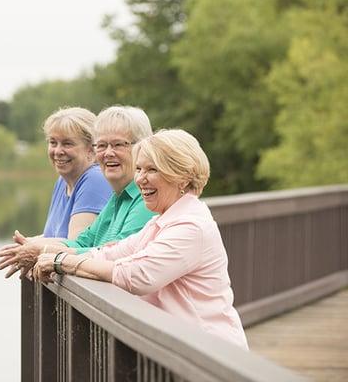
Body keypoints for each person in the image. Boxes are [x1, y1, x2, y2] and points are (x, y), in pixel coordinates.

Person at [32, 129, 249, 349]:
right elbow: (112, 253)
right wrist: (54, 254)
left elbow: (137, 276)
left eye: (151, 170)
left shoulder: (190, 226)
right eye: (139, 169)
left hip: (212, 354)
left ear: (181, 177)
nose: (140, 179)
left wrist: (63, 262)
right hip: (186, 347)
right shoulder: (162, 220)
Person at [0, 106, 156, 278]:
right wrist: (33, 249)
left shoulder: (146, 197)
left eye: (118, 144)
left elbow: (116, 255)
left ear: (142, 148)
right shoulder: (118, 196)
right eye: (102, 145)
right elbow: (82, 242)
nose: (108, 153)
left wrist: (48, 255)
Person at [40, 107, 112, 239]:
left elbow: (74, 245)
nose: (58, 151)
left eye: (67, 144)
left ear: (91, 149)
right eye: (53, 142)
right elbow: (51, 237)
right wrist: (20, 246)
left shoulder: (95, 179)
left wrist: (30, 249)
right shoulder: (63, 181)